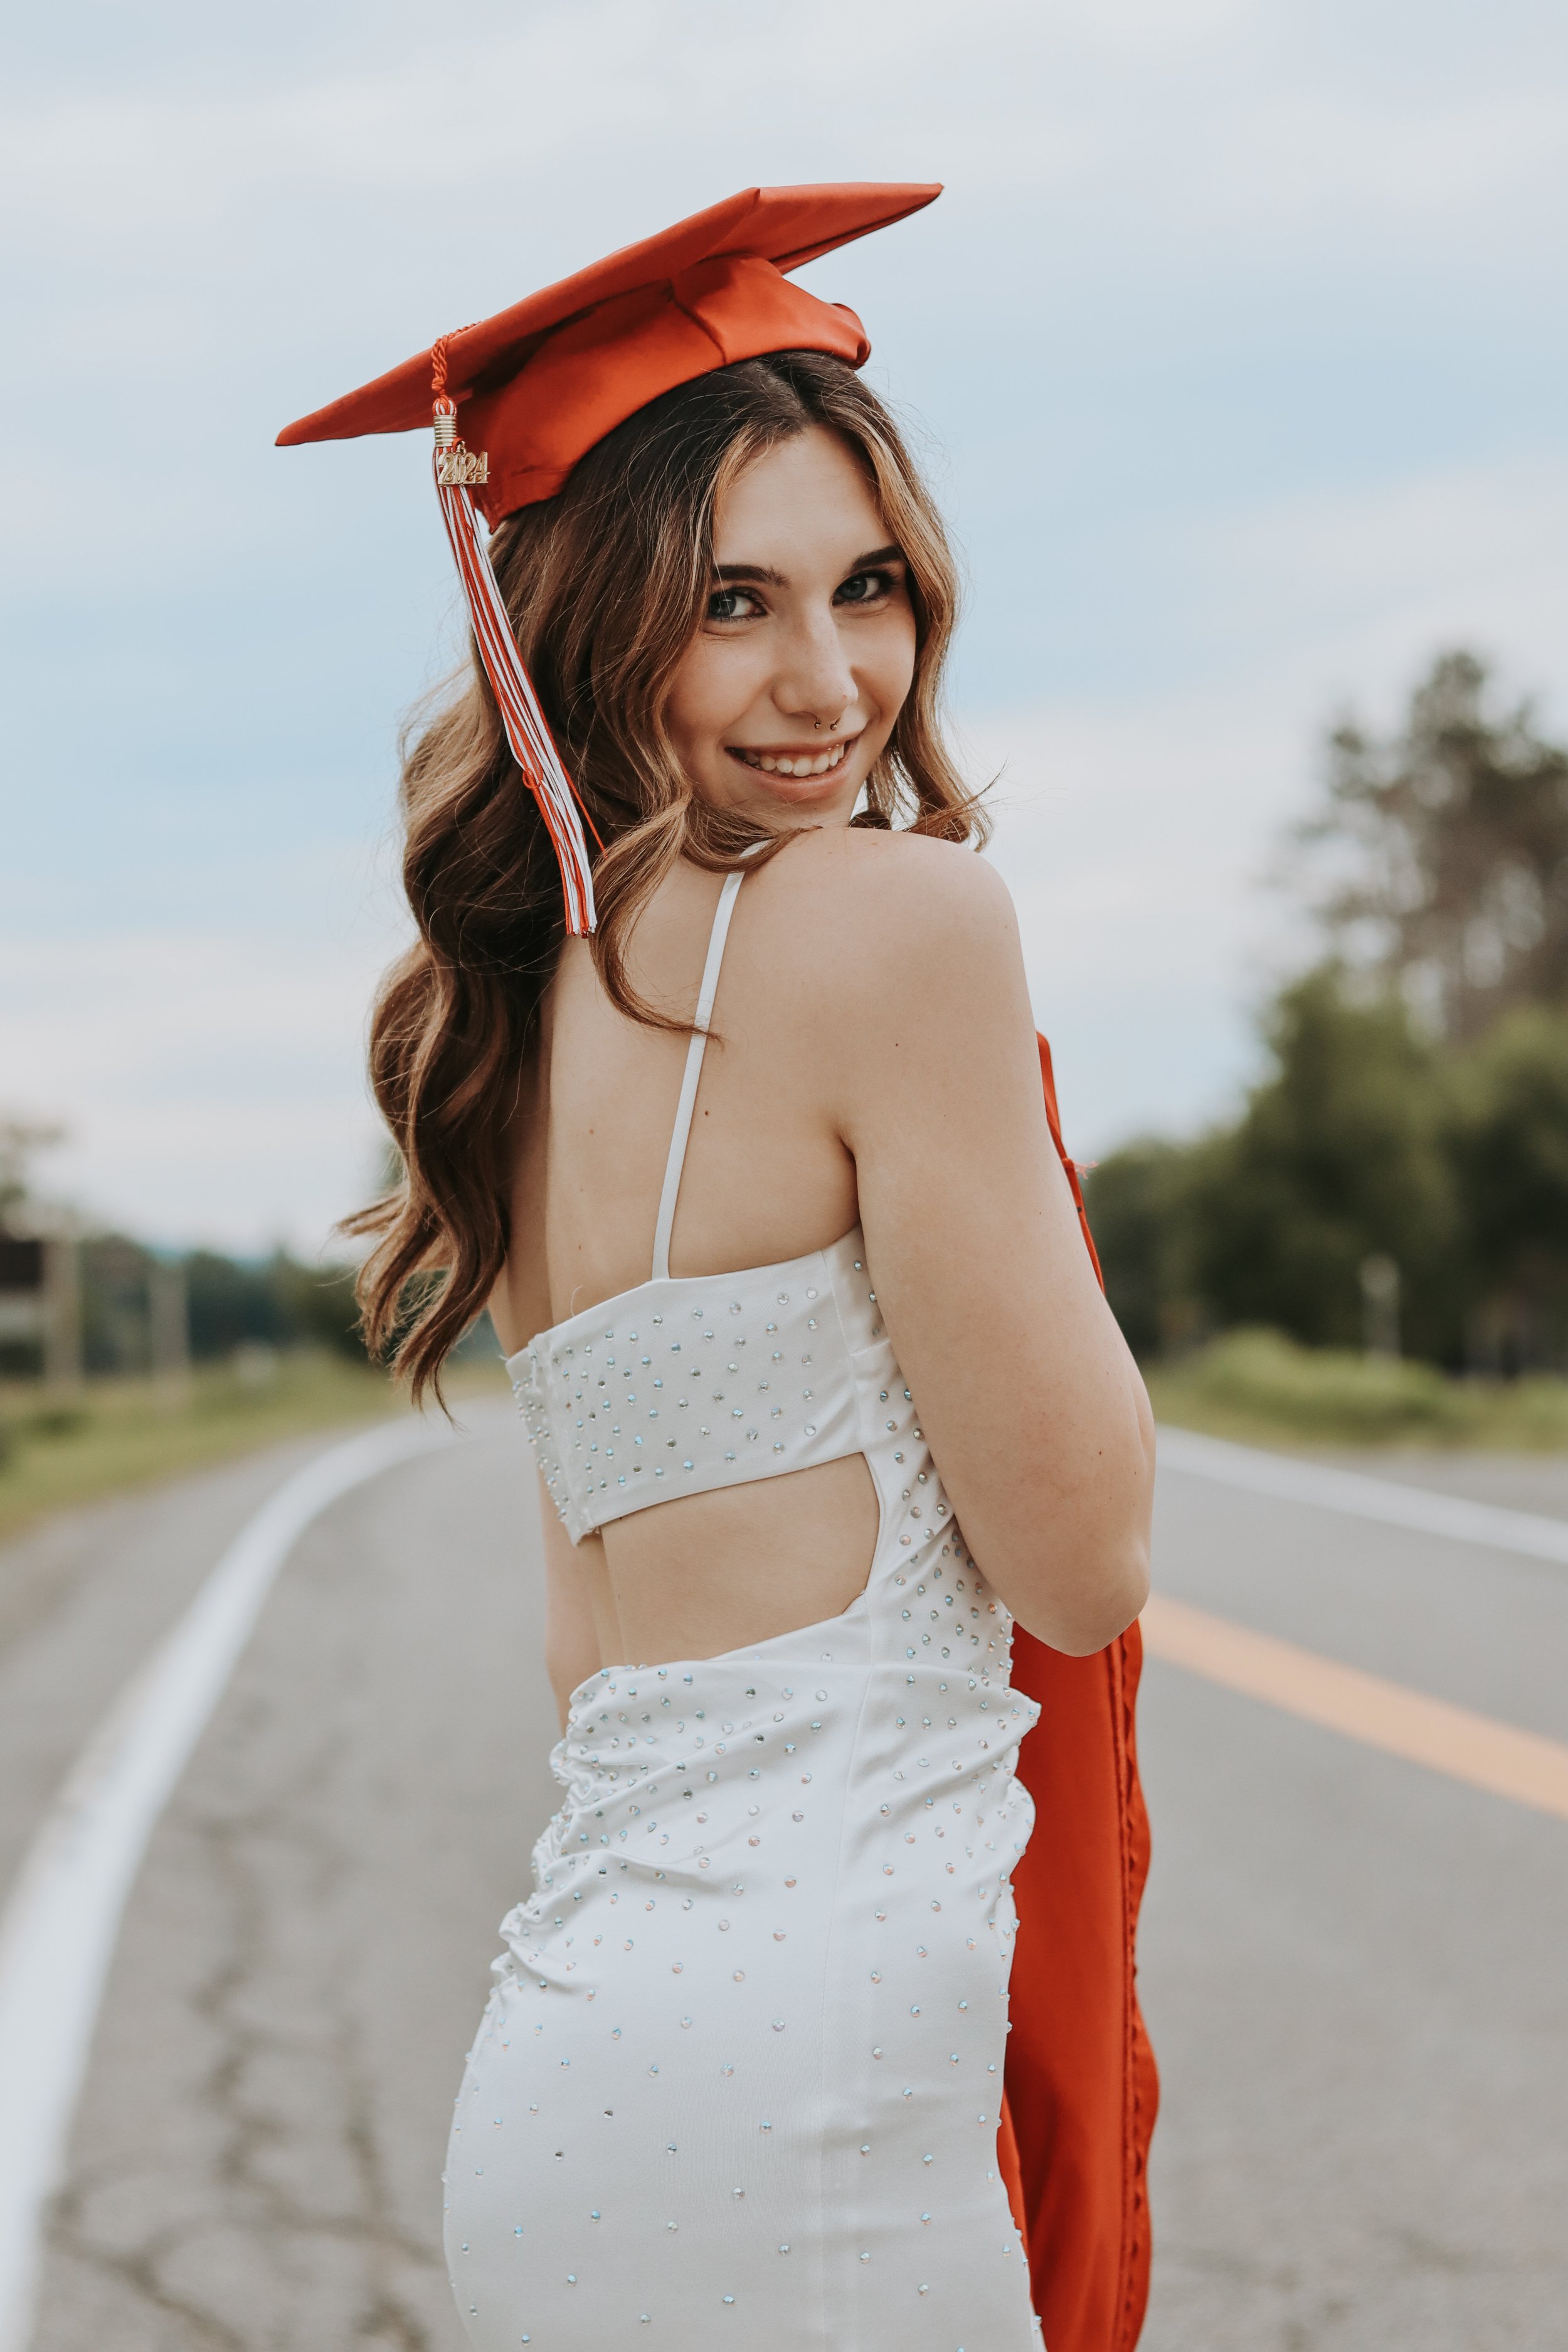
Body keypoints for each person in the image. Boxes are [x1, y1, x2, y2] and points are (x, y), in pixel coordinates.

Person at [279, 184, 1155, 2351]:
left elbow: (601, 1663)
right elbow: (1081, 1558)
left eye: (865, 588)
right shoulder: (898, 926)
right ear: (587, 623)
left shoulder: (510, 1027)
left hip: (573, 2074)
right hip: (814, 2090)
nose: (826, 679)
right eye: (729, 603)